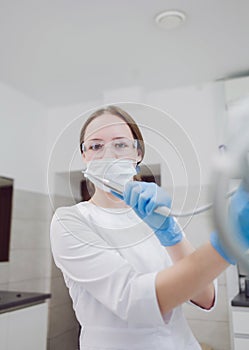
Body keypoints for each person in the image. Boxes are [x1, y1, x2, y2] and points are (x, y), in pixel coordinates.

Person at [50, 105, 249, 350]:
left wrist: (169, 233)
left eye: (121, 144)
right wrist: (231, 238)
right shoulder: (70, 221)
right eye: (95, 146)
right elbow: (134, 301)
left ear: (138, 154)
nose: (108, 155)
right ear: (85, 157)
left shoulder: (159, 214)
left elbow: (206, 296)